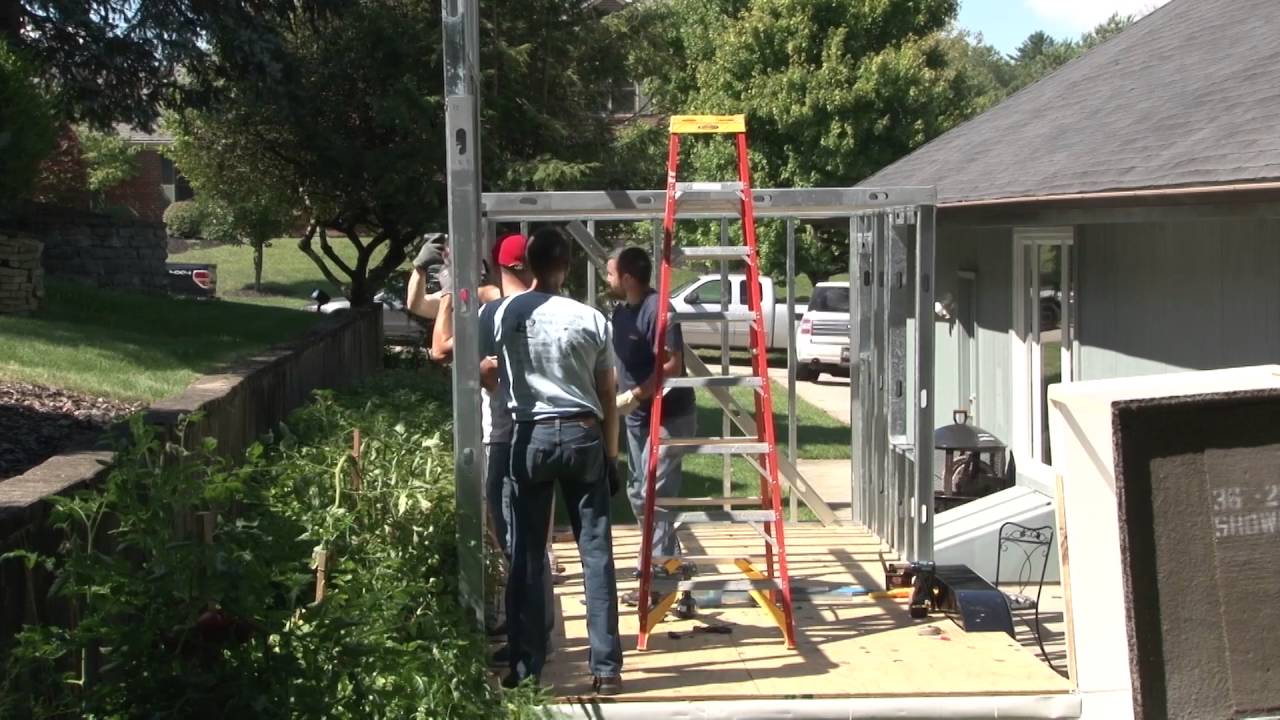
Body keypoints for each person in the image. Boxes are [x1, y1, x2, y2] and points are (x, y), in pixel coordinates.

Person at [481, 227, 624, 695]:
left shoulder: (504, 314)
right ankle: (606, 668)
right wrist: (611, 456)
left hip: (530, 437)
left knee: (526, 554)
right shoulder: (591, 318)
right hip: (583, 434)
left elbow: (481, 367)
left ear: (528, 265)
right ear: (566, 266)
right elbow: (607, 393)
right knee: (595, 553)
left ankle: (526, 668)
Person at [605, 247, 697, 604]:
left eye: (610, 273)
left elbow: (673, 364)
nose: (607, 278)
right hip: (638, 418)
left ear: (628, 278)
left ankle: (660, 580)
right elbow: (620, 366)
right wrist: (608, 395)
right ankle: (671, 567)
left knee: (654, 496)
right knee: (637, 494)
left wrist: (636, 394)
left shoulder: (658, 309)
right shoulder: (621, 314)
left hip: (669, 416)